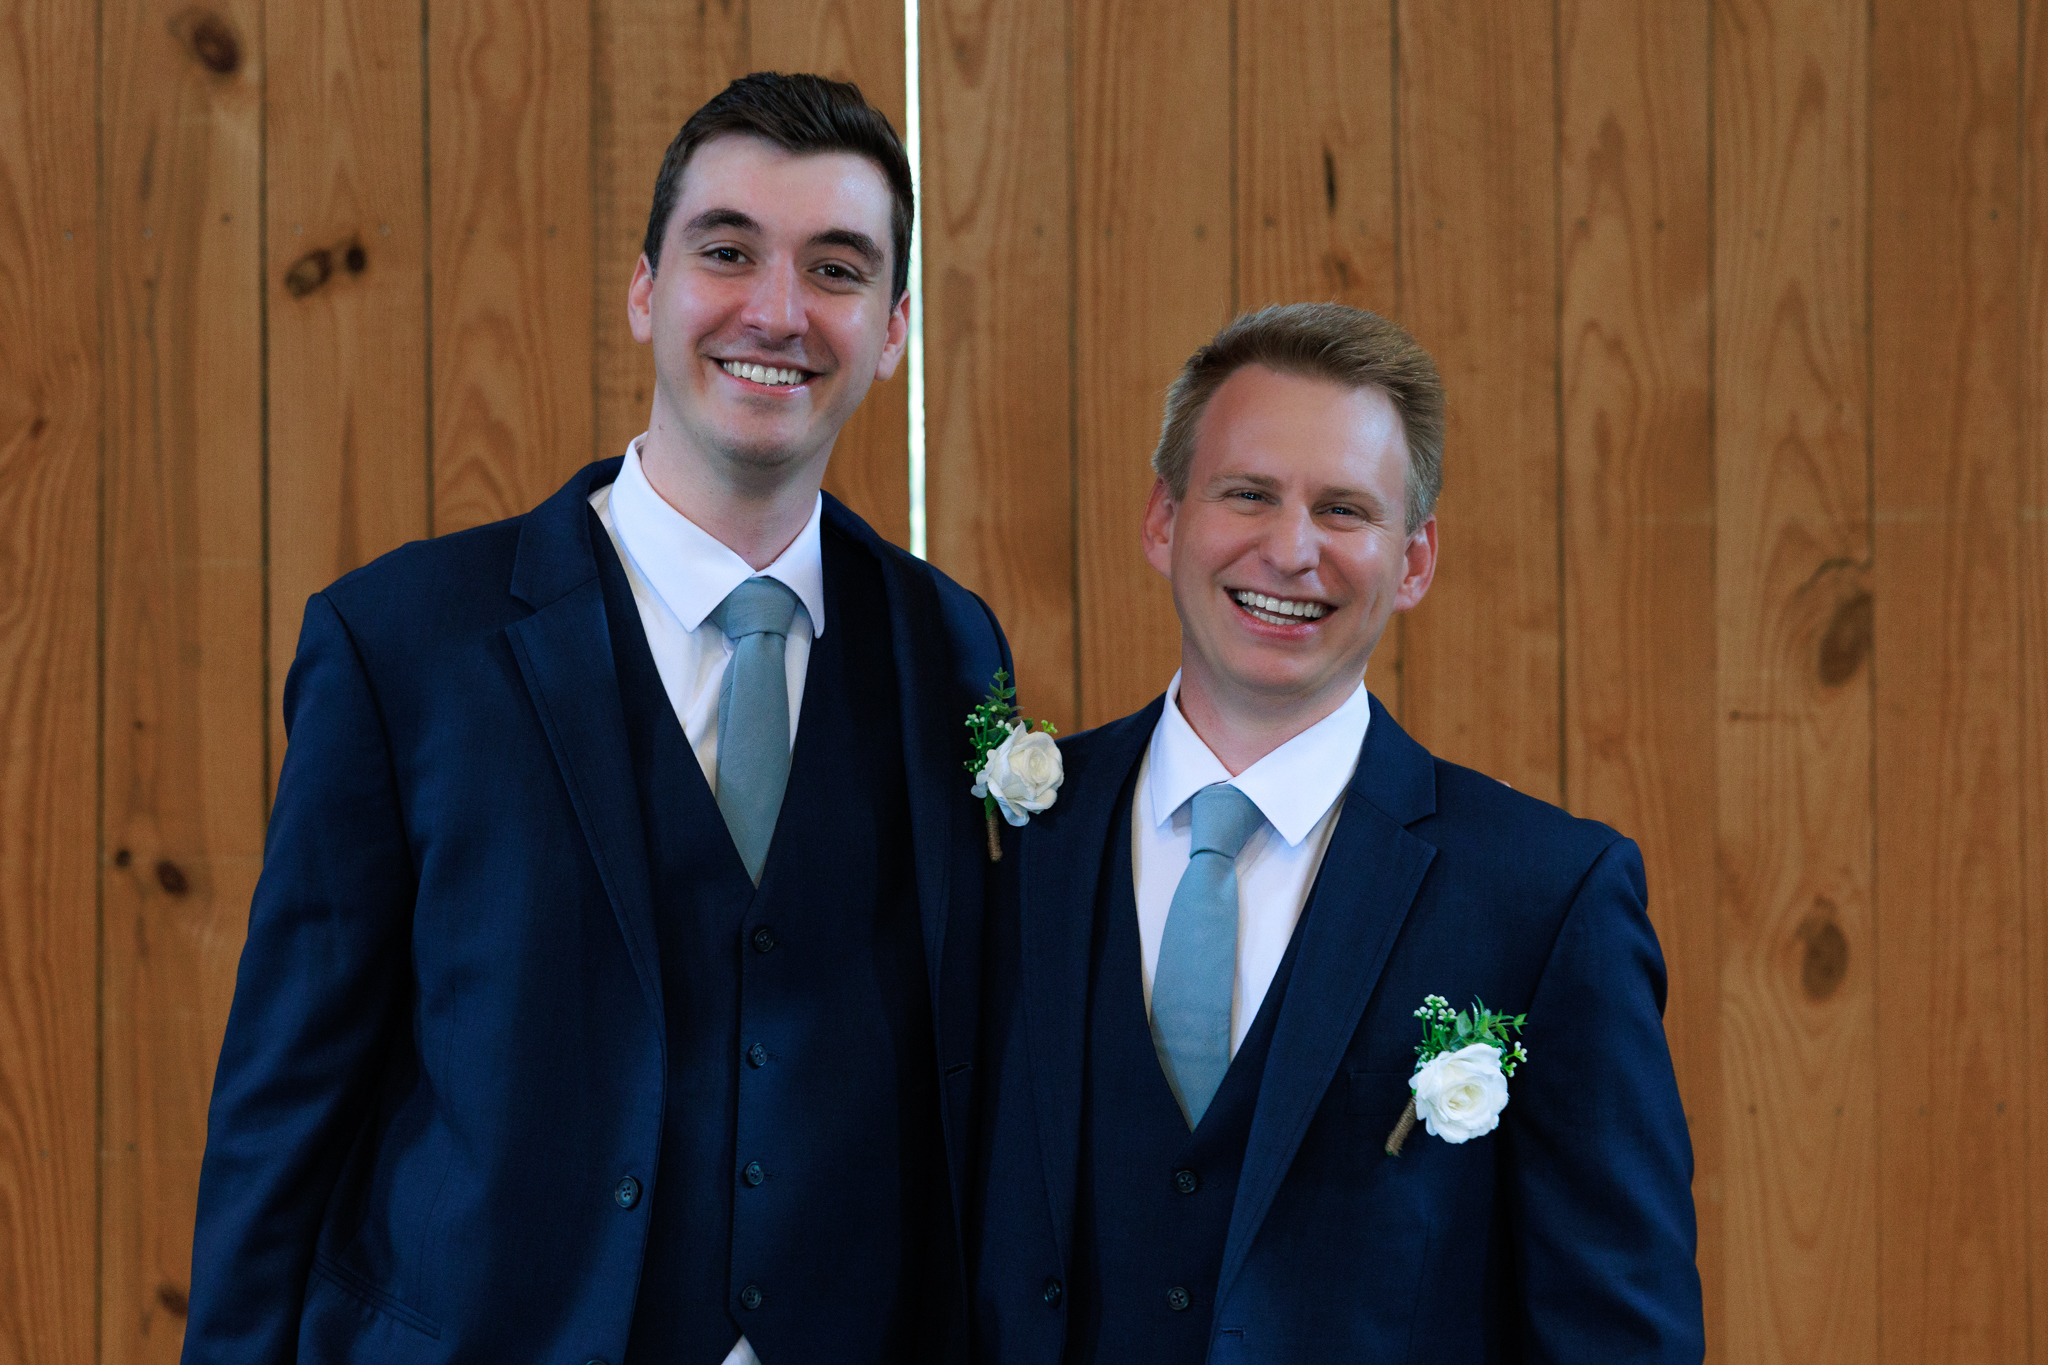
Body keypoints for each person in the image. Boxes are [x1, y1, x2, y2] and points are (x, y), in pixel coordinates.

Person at [183, 73, 1006, 1365]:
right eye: (727, 252)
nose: (777, 311)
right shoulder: (403, 643)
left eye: (836, 269)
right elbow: (285, 1102)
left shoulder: (948, 648)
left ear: (892, 329)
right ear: (644, 291)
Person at [969, 303, 1703, 1362]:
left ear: (1414, 560)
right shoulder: (1005, 849)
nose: (1290, 549)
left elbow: (1618, 1339)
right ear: (1163, 519)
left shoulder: (1545, 897)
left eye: (1344, 509)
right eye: (1248, 493)